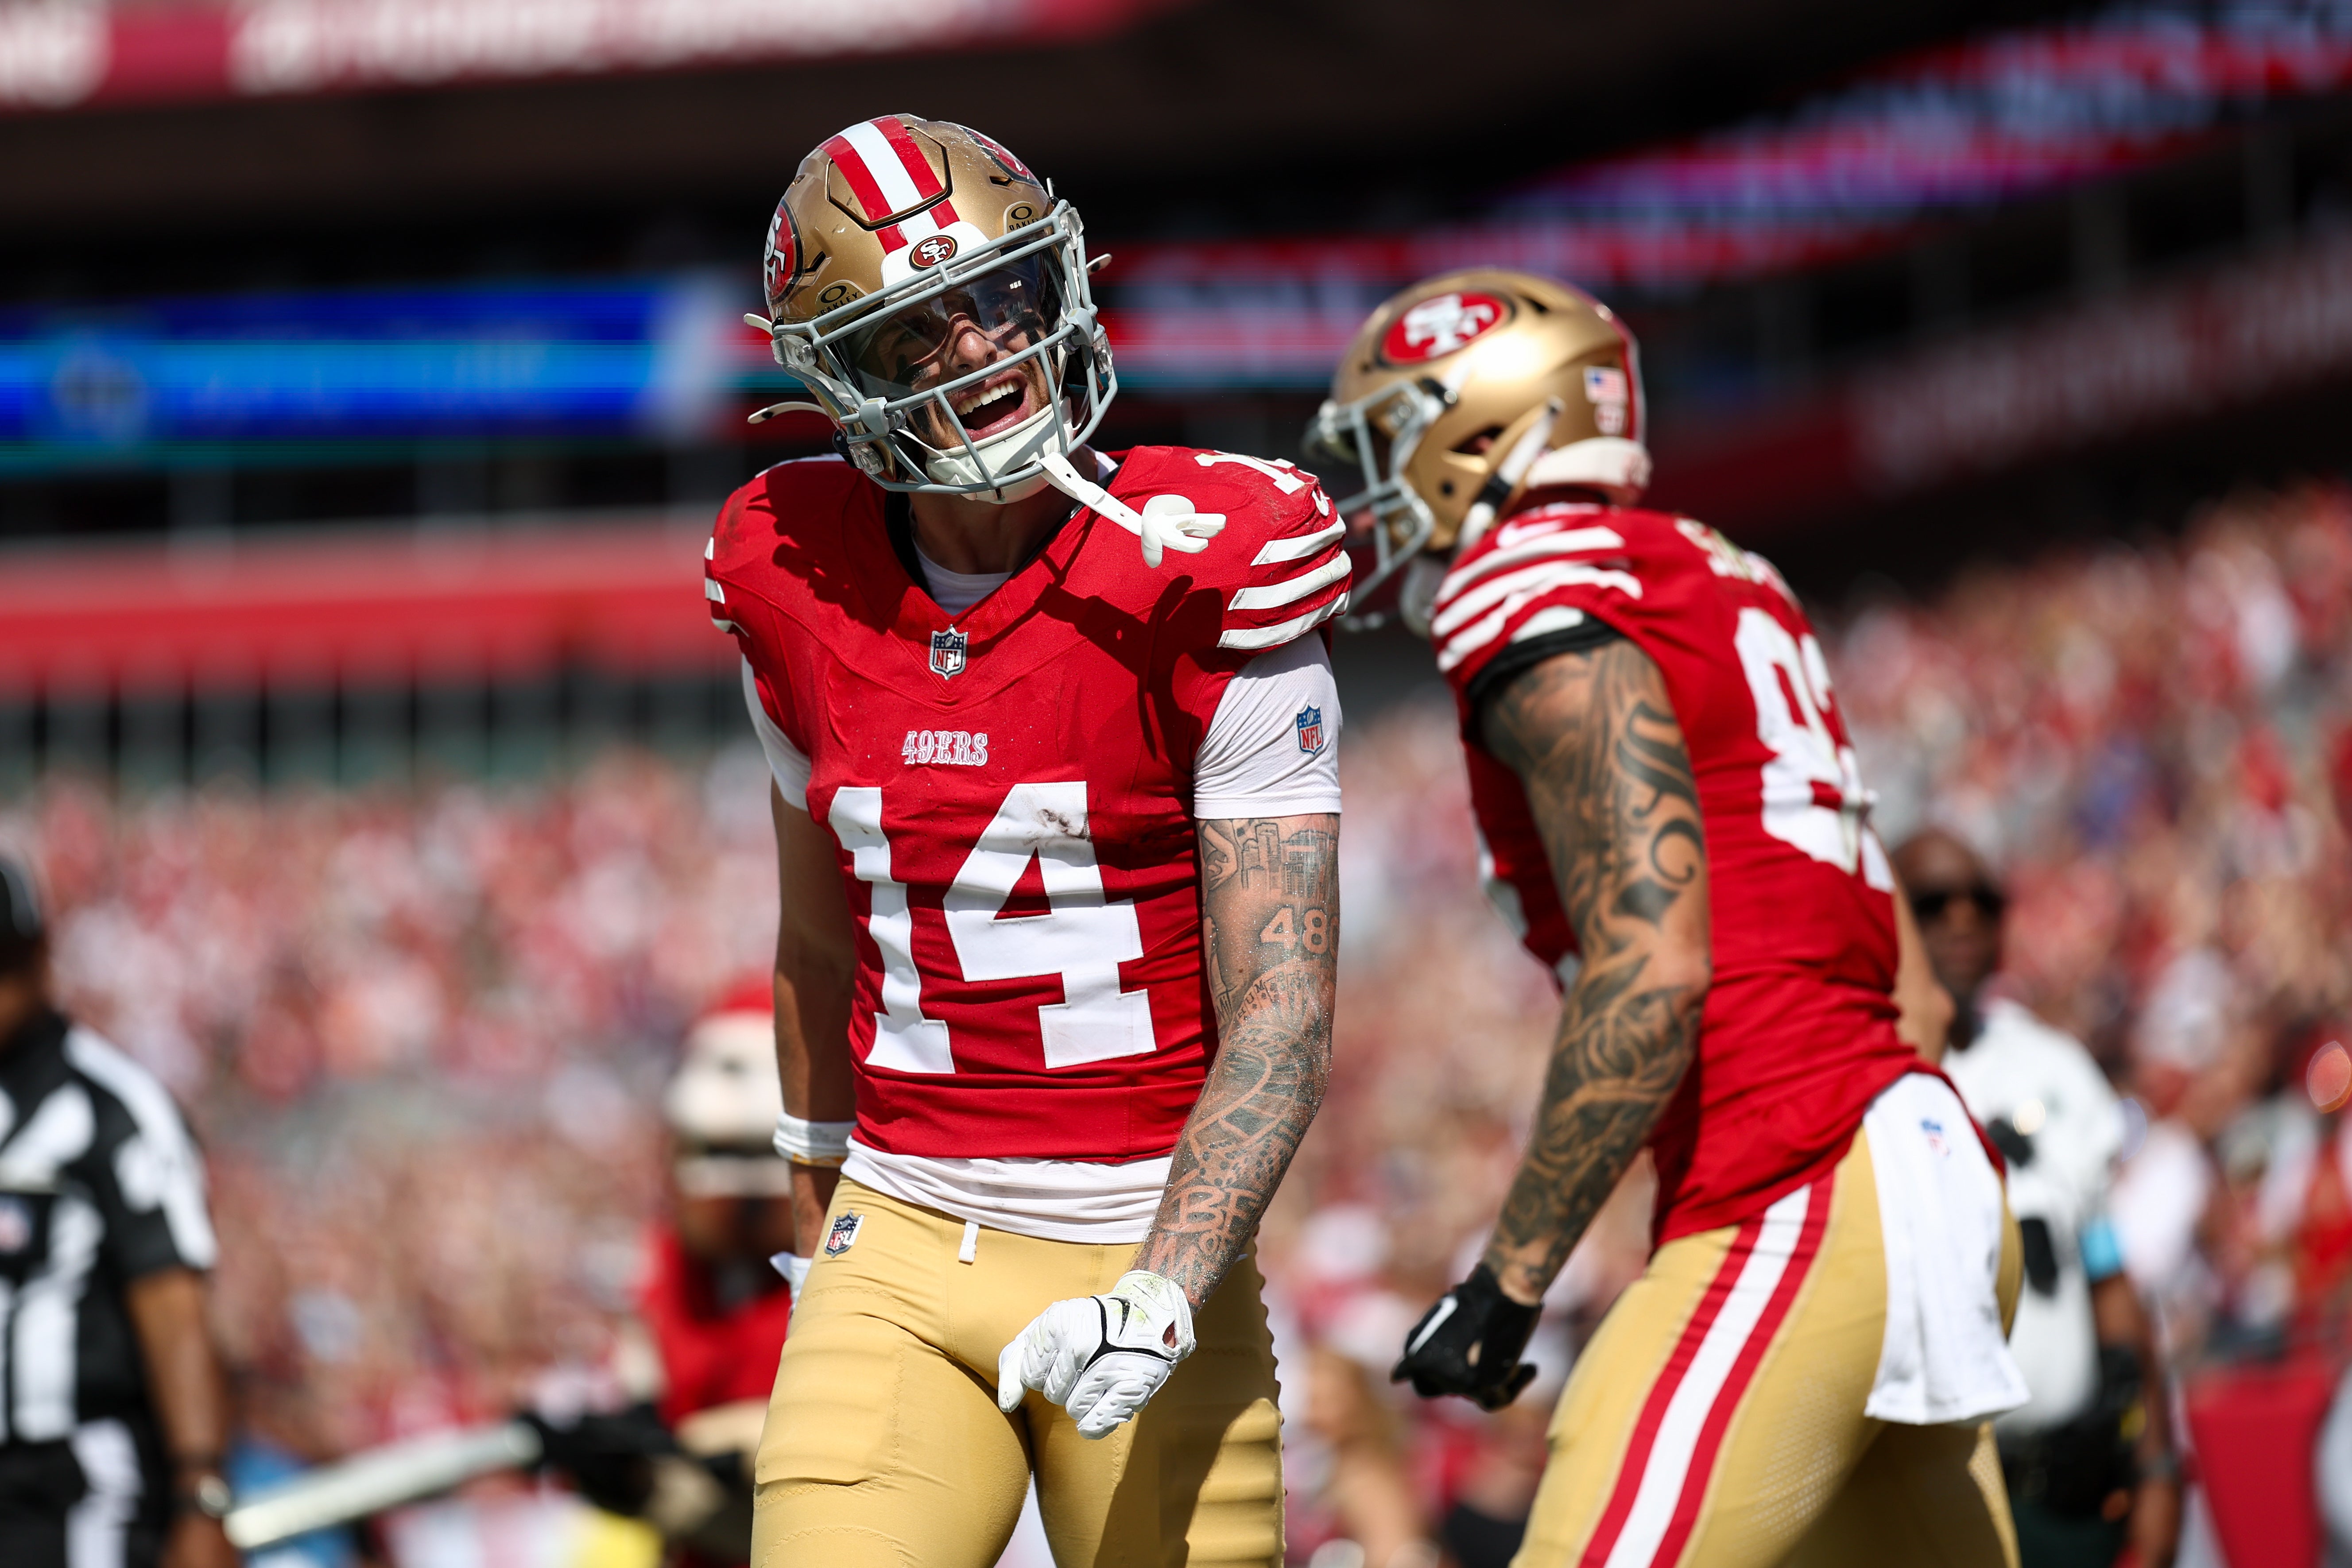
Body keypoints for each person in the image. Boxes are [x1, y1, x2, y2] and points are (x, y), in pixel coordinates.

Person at [1310, 270, 2027, 1567]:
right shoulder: (1721, 573)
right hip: (1926, 1163)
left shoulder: (1532, 583)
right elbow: (1912, 992)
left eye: (1392, 439)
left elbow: (1653, 961)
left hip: (1792, 1177)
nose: (1374, 489)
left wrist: (1510, 1275)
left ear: (1485, 431)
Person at [711, 115, 1350, 1567]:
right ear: (844, 375)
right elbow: (818, 944)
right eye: (916, 329)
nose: (982, 346)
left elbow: (1282, 1009)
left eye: (998, 293)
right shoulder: (793, 575)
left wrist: (1164, 1289)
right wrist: (818, 1239)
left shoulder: (1204, 564)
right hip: (900, 1230)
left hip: (1147, 1233)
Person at [1892, 829, 2180, 1568]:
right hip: (1937, 1504)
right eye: (1934, 902)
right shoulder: (1869, 1081)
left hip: (2071, 1495)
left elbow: (2108, 1275)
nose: (1963, 918)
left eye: (1983, 900)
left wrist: (2157, 1468)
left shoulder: (2054, 1065)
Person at [0, 854, 236, 1568]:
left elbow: (174, 1303)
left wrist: (201, 1492)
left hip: (70, 1476)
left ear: (39, 958)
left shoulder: (110, 1107)